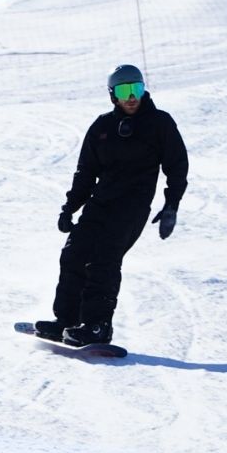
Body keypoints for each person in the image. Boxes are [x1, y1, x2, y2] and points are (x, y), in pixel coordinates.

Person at [33, 64, 189, 346]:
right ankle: (66, 320)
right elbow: (85, 172)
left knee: (104, 259)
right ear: (112, 95)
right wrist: (70, 208)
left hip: (132, 206)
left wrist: (171, 205)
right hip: (100, 203)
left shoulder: (160, 123)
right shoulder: (102, 126)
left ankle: (97, 325)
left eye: (137, 89)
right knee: (73, 253)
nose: (132, 97)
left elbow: (177, 166)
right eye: (124, 91)